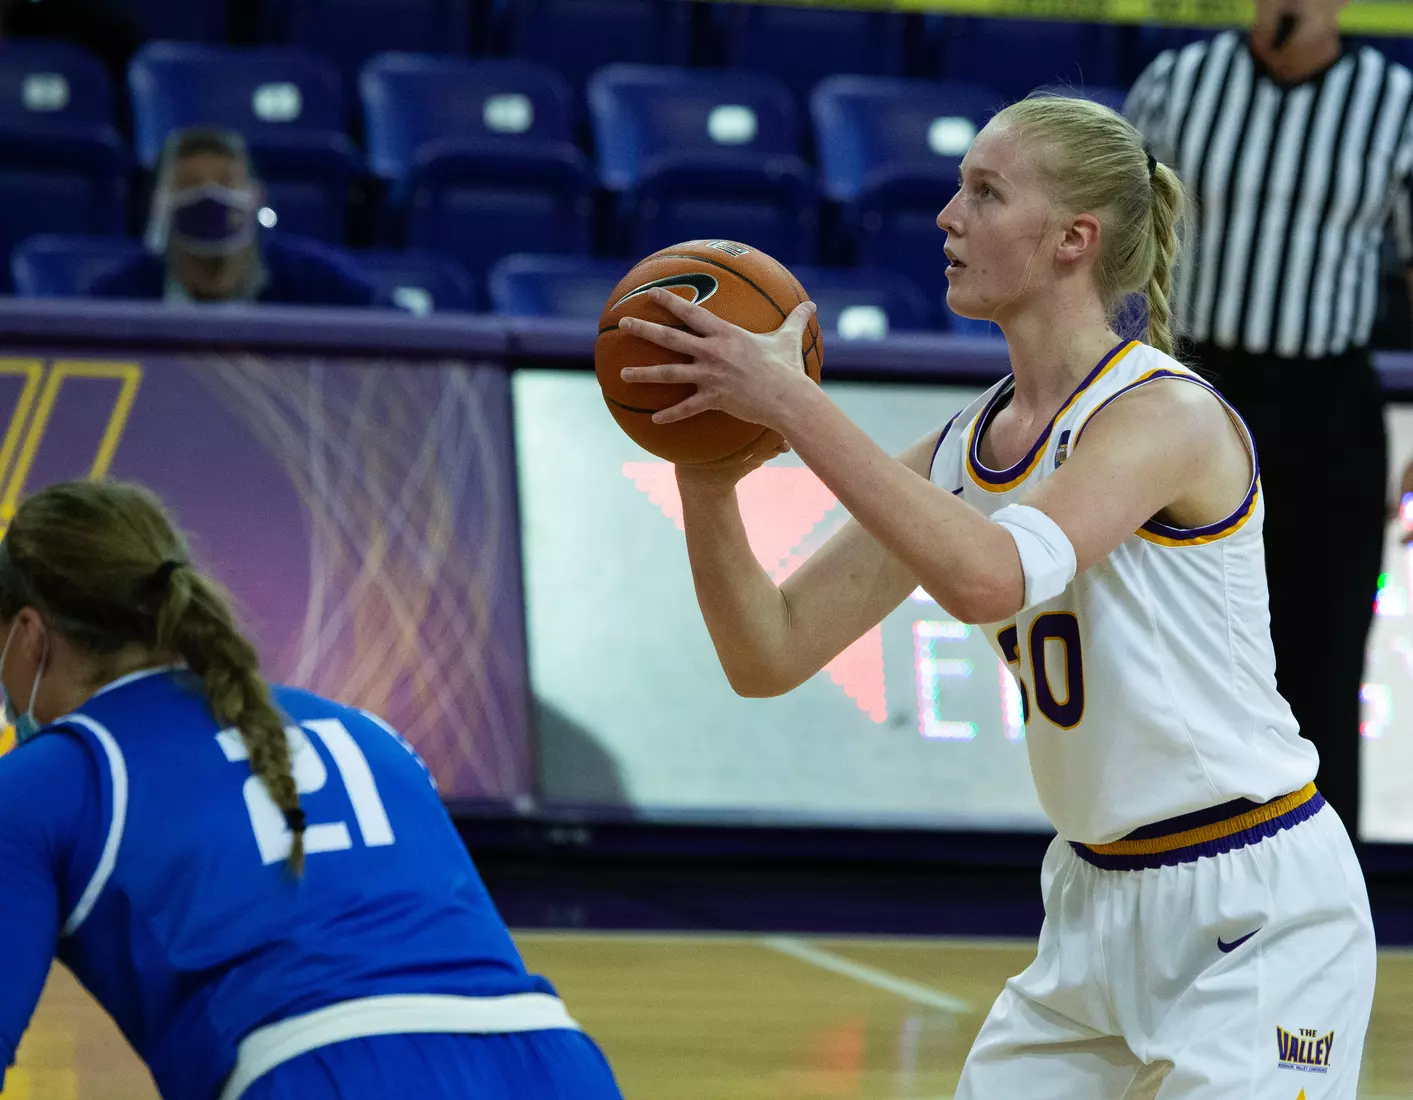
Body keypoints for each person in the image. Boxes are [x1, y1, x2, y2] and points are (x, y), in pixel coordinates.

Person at [615, 94, 1376, 1096]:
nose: (947, 216)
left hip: (1254, 896)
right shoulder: (963, 449)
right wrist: (706, 470)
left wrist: (789, 401)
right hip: (1092, 901)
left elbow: (989, 576)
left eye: (985, 192)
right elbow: (770, 649)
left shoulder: (1167, 415)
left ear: (1074, 239)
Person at [0, 480, 622, 1100]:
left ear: (29, 634)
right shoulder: (371, 735)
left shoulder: (49, 780)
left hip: (322, 1075)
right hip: (556, 1061)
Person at [1123, 0, 1413, 846]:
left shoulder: (1392, 102)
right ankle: (1164, 858)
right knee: (1173, 648)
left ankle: (1318, 884)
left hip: (1328, 404)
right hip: (1193, 393)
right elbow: (1112, 243)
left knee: (1323, 660)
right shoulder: (1179, 84)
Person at [90, 127, 375, 307]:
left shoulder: (314, 279)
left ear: (257, 197)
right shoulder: (121, 294)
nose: (208, 194)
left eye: (225, 181)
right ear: (159, 204)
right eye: (189, 183)